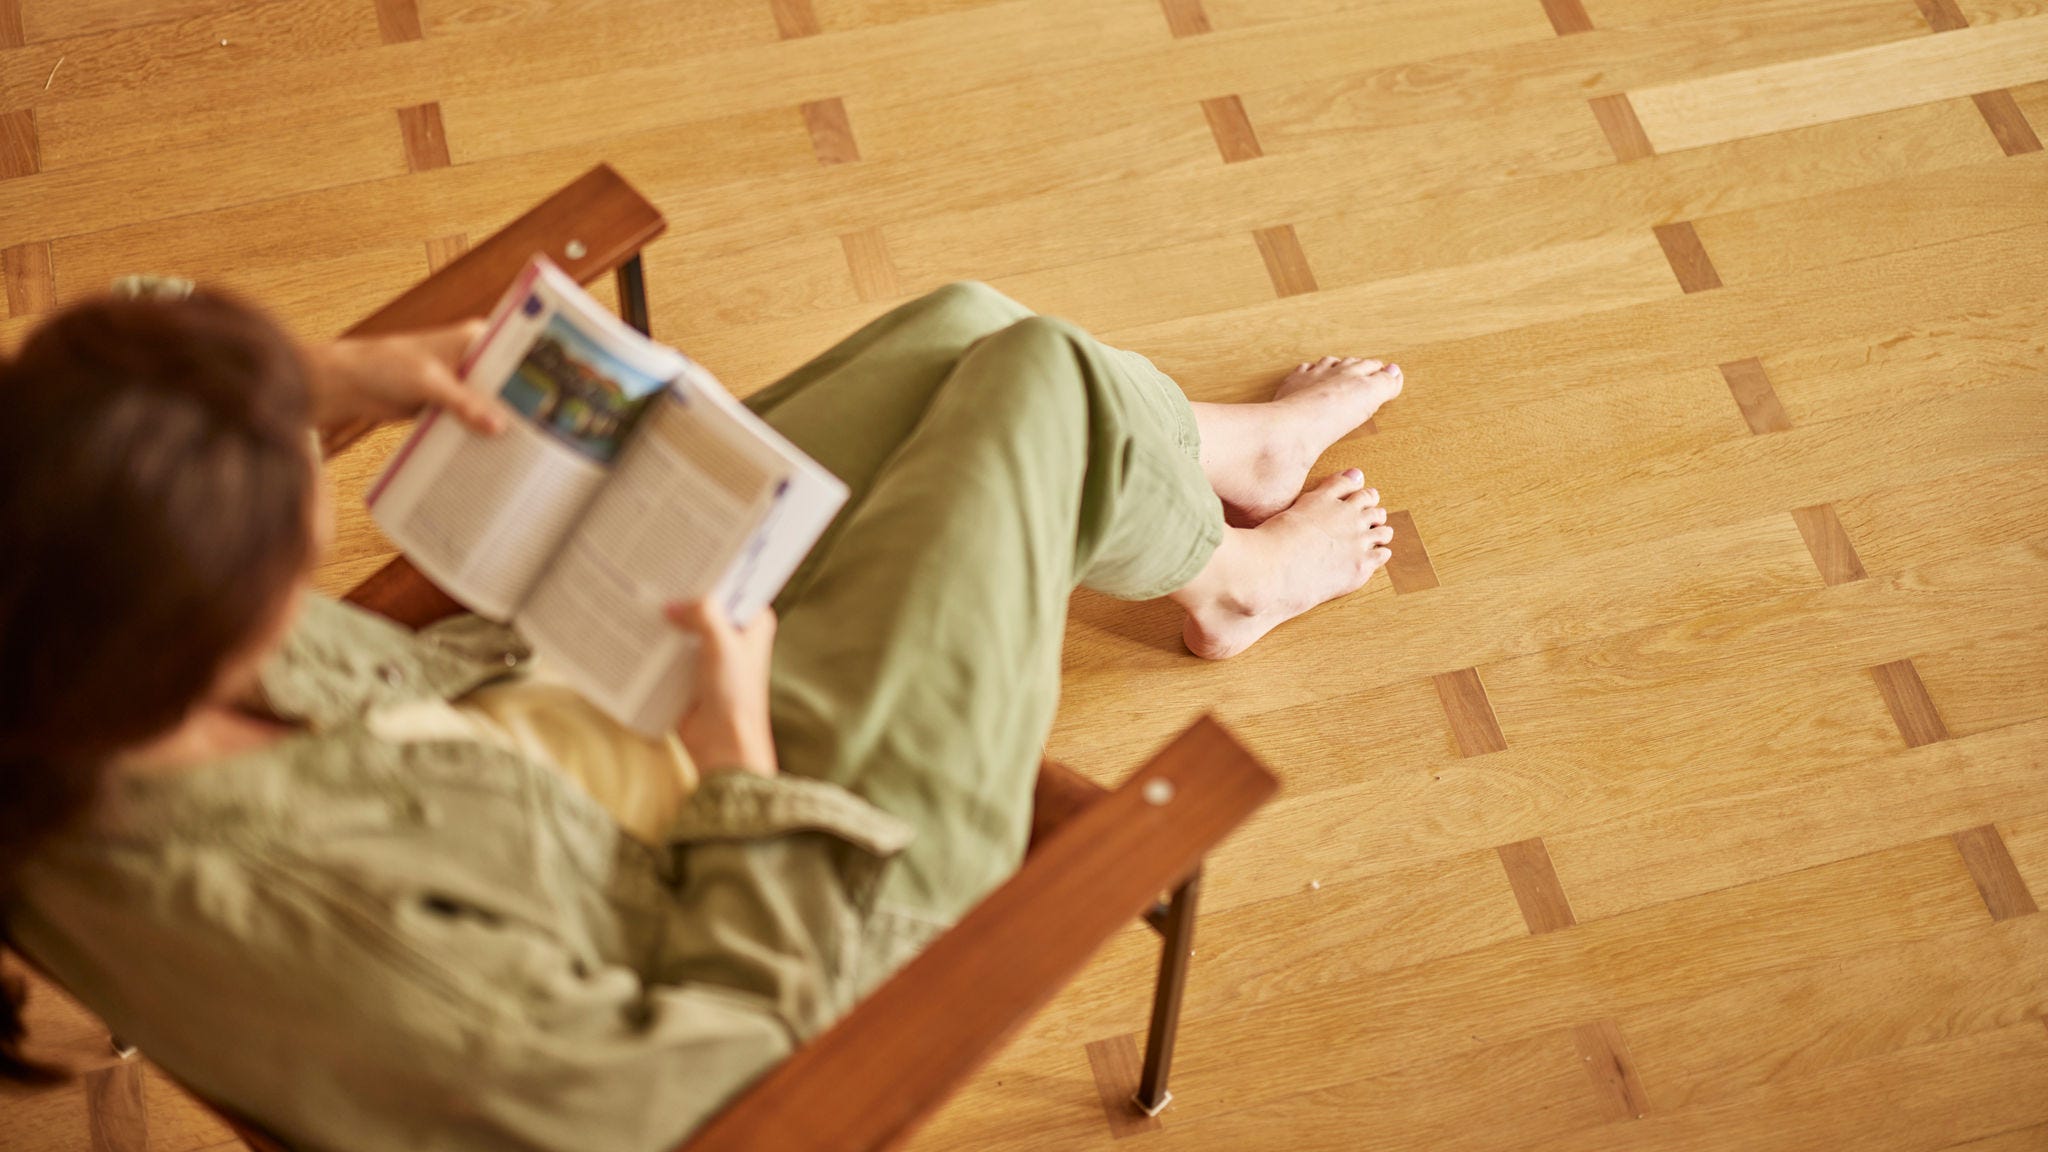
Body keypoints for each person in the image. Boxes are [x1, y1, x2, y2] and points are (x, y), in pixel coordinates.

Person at [0, 281, 1400, 1149]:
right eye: (299, 500)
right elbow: (725, 1073)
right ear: (217, 623)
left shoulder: (47, 654)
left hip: (529, 718)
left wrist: (311, 379)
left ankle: (1213, 469)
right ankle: (1230, 565)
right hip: (807, 884)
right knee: (1042, 377)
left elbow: (72, 373)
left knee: (968, 330)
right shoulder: (342, 946)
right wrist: (738, 762)